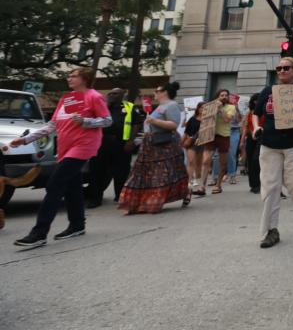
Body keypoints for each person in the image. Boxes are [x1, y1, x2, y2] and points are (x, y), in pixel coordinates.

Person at [11, 68, 112, 248]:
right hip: (65, 148)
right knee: (72, 186)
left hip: (83, 146)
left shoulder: (94, 96)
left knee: (55, 184)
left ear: (85, 79)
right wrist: (26, 139)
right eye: (69, 76)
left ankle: (39, 233)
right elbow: (52, 125)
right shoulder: (67, 98)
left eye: (73, 76)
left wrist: (86, 121)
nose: (69, 78)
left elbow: (107, 120)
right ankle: (77, 225)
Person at [252, 57, 293, 248]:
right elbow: (256, 113)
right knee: (271, 188)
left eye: (286, 67)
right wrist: (255, 127)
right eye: (278, 68)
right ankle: (271, 230)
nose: (281, 70)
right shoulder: (268, 91)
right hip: (269, 144)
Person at [118, 82, 191, 214]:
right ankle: (139, 202)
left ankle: (157, 200)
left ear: (165, 92)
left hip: (164, 144)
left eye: (157, 91)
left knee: (162, 174)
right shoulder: (160, 106)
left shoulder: (172, 105)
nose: (154, 93)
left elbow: (174, 125)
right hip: (151, 144)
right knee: (144, 173)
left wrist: (154, 121)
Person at [86, 88, 142, 208]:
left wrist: (131, 140)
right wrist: (106, 104)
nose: (111, 95)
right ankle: (95, 198)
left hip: (121, 143)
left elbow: (136, 123)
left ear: (122, 95)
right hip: (101, 143)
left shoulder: (129, 107)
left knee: (121, 172)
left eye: (115, 93)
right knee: (97, 171)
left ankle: (121, 197)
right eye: (110, 93)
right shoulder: (102, 106)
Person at [202, 89, 236, 194]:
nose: (224, 97)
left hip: (224, 136)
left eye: (226, 95)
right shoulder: (211, 106)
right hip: (210, 135)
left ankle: (218, 185)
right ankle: (201, 186)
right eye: (222, 95)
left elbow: (227, 119)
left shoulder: (231, 107)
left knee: (222, 163)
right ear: (217, 97)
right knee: (206, 161)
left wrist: (220, 108)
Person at [238, 93, 261, 194]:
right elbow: (245, 128)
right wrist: (242, 141)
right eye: (256, 100)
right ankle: (254, 185)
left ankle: (261, 183)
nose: (257, 102)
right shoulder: (249, 113)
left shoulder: (265, 111)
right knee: (251, 162)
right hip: (251, 139)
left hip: (262, 138)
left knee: (258, 161)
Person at [183, 102, 204, 195]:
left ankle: (199, 183)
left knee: (198, 165)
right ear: (198, 109)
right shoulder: (192, 119)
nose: (203, 109)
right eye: (201, 108)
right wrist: (181, 142)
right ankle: (189, 182)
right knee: (191, 161)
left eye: (205, 108)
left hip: (202, 143)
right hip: (191, 142)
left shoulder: (208, 120)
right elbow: (186, 132)